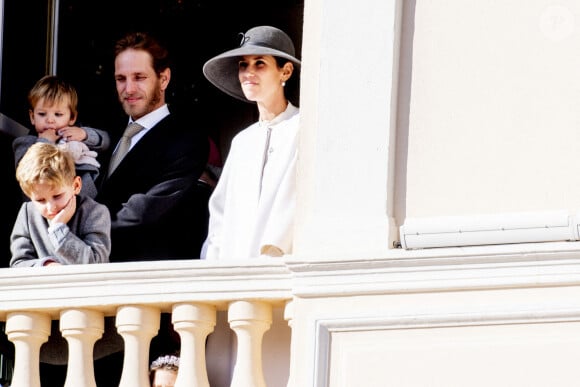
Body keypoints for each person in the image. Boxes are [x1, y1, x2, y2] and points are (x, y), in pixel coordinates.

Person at [94, 31, 209, 262]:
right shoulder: (103, 133)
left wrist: (81, 232)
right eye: (121, 79)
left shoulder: (187, 141)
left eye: (139, 77)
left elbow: (143, 214)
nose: (129, 89)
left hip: (140, 279)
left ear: (164, 79)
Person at [201, 25, 301, 260]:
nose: (248, 72)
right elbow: (220, 215)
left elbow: (292, 205)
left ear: (285, 72)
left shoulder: (301, 128)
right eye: (243, 64)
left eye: (260, 63)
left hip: (279, 274)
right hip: (233, 275)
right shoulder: (242, 141)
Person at [10, 142, 111, 267]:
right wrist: (46, 266)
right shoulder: (27, 213)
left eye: (57, 196)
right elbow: (18, 263)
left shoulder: (95, 213)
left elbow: (96, 263)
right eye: (40, 200)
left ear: (76, 185)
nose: (51, 207)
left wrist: (58, 229)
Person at [13, 75, 110, 199]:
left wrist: (84, 134)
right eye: (42, 114)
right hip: (45, 207)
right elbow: (27, 170)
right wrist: (45, 142)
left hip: (82, 202)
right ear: (32, 117)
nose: (50, 120)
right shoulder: (26, 143)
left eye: (58, 114)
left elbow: (107, 141)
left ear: (72, 118)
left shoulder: (74, 134)